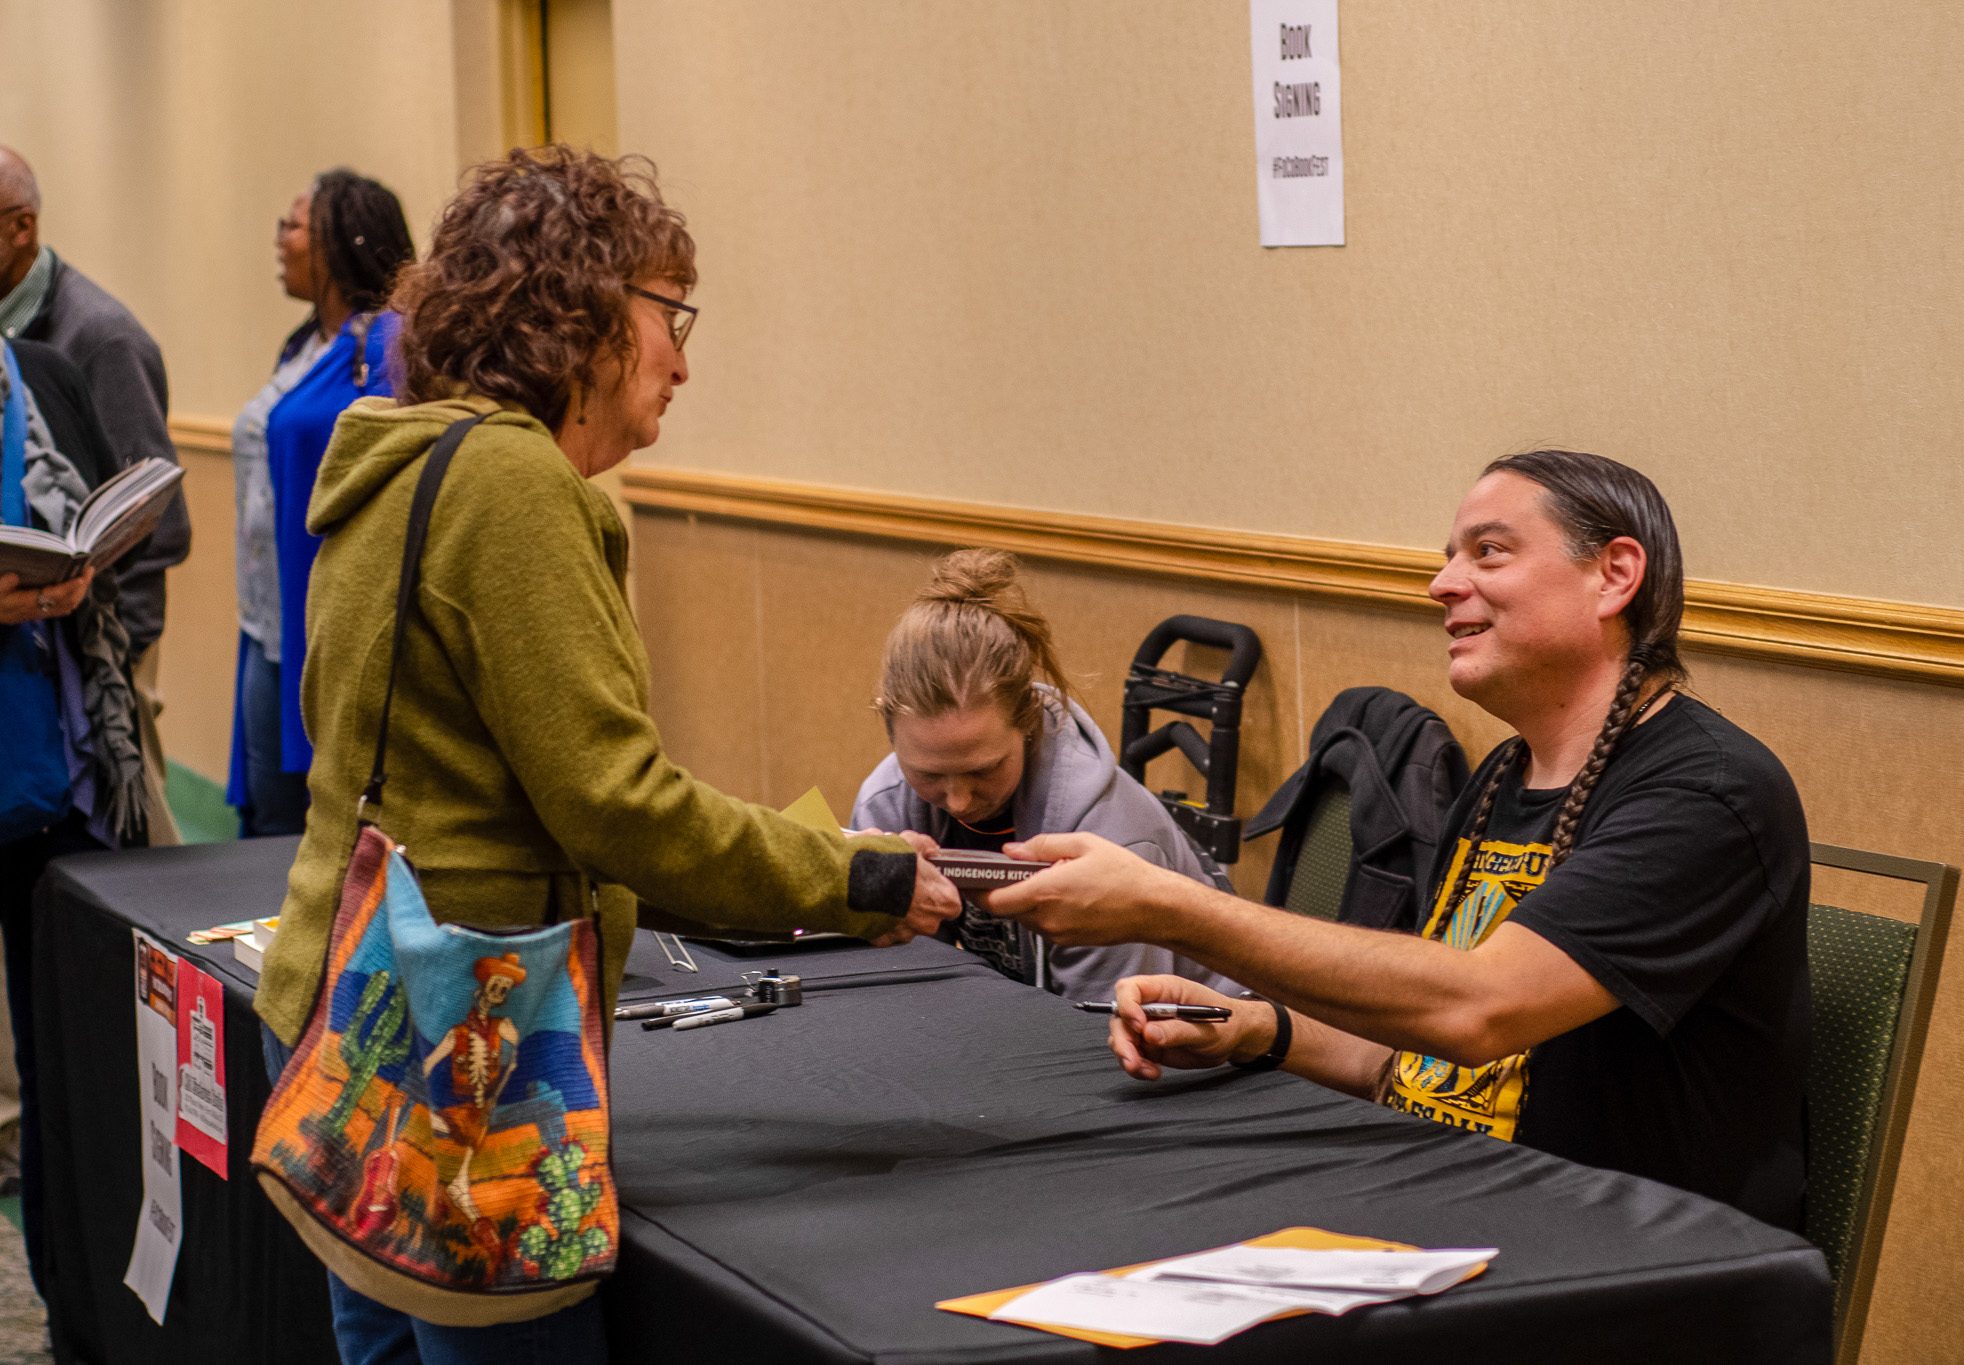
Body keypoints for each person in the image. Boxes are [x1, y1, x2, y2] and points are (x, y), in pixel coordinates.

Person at [252, 145, 960, 1363]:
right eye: (666, 314)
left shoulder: (394, 457)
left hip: (342, 998)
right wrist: (853, 876)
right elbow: (613, 804)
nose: (683, 358)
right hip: (458, 1048)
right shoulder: (515, 488)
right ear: (574, 314)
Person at [986, 451, 1812, 1230]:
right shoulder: (1502, 777)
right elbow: (1414, 1059)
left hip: (1632, 1261)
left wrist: (1171, 909)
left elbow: (1479, 1008)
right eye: (1450, 557)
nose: (1440, 583)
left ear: (1614, 576)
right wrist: (1256, 1028)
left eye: (1488, 553)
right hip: (1457, 1204)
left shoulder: (1705, 792)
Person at [853, 548, 1240, 1001]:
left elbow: (1106, 1032)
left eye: (984, 769)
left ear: (1029, 721)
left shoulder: (1113, 834)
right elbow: (903, 986)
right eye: (928, 774)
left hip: (1203, 1038)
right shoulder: (885, 803)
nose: (958, 801)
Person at [1, 335, 148, 1297]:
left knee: (59, 1067)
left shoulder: (34, 371)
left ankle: (67, 1301)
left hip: (50, 774)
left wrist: (75, 578)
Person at [0, 146, 189, 847]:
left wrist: (105, 644)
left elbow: (162, 521)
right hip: (33, 649)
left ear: (21, 227)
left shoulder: (97, 338)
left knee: (128, 850)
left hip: (99, 645)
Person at [229, 169, 414, 836]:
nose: (280, 238)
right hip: (266, 620)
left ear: (340, 242)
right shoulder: (303, 344)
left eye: (294, 224)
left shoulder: (391, 342)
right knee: (266, 817)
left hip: (324, 626)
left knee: (311, 825)